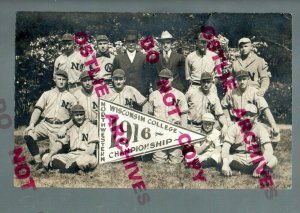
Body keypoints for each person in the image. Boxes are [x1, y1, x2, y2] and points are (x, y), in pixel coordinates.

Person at [23, 70, 77, 172]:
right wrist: (32, 124)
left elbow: (75, 117)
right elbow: (38, 109)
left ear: (67, 81)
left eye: (64, 79)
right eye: (59, 79)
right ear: (54, 79)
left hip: (60, 127)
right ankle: (38, 161)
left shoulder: (71, 97)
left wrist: (65, 127)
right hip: (46, 124)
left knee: (54, 157)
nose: (61, 81)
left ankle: (55, 156)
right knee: (28, 134)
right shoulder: (47, 94)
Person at [221, 104, 278, 177]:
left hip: (254, 158)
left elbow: (269, 149)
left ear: (256, 116)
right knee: (221, 159)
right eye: (246, 114)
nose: (248, 117)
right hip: (238, 157)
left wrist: (260, 165)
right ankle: (254, 171)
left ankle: (252, 170)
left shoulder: (261, 129)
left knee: (273, 159)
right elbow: (226, 146)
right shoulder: (234, 127)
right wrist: (225, 164)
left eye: (251, 115)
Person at [221, 70, 279, 138]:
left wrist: (273, 124)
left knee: (274, 134)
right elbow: (223, 106)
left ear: (248, 79)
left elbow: (265, 108)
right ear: (236, 80)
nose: (242, 82)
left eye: (244, 79)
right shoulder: (231, 92)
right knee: (220, 134)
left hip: (252, 124)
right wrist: (228, 120)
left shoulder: (254, 92)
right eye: (239, 80)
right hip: (236, 123)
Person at [43, 105, 98, 173]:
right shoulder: (71, 128)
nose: (79, 117)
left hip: (86, 155)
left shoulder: (92, 127)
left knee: (84, 161)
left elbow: (91, 150)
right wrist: (50, 155)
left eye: (81, 115)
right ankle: (73, 169)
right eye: (76, 115)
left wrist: (73, 160)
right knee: (45, 157)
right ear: (73, 116)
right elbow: (59, 143)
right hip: (72, 154)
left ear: (84, 115)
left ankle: (62, 169)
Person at [148, 68, 188, 164]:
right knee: (159, 161)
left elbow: (184, 114)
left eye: (167, 78)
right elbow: (150, 115)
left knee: (175, 161)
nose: (165, 80)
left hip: (174, 131)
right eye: (162, 78)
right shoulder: (153, 95)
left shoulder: (179, 95)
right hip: (159, 132)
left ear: (172, 79)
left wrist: (183, 132)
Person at [112, 31, 151, 96]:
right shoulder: (118, 58)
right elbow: (113, 76)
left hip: (140, 94)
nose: (131, 44)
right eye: (129, 42)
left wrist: (143, 91)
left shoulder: (143, 57)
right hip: (123, 94)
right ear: (125, 43)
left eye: (133, 42)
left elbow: (147, 76)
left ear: (136, 43)